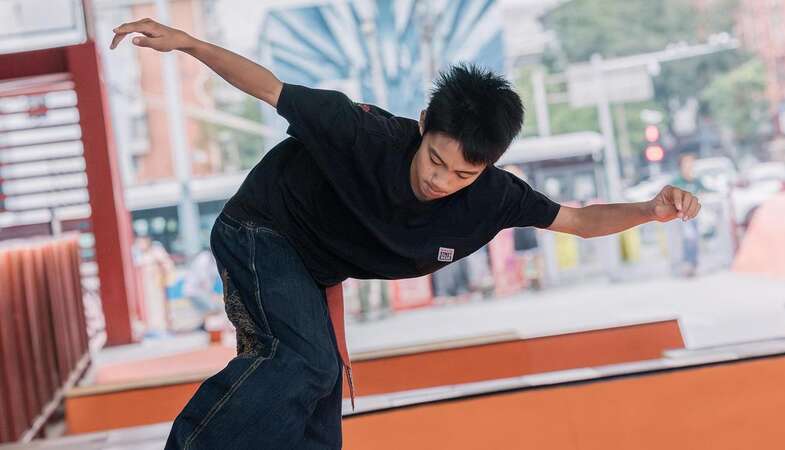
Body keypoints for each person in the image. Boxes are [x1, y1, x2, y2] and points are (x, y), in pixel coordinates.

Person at [111, 18, 702, 450]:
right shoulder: (362, 133)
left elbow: (578, 220)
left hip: (315, 268)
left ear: (489, 168)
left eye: (463, 174)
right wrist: (188, 44)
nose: (440, 181)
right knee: (306, 363)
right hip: (260, 228)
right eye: (435, 160)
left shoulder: (496, 198)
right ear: (422, 126)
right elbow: (269, 87)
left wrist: (649, 209)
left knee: (321, 411)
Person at [672, 153, 707, 277]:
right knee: (688, 239)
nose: (689, 165)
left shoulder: (696, 181)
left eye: (691, 163)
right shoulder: (676, 182)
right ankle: (687, 264)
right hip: (681, 218)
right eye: (687, 163)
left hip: (694, 216)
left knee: (695, 239)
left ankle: (693, 265)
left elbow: (707, 191)